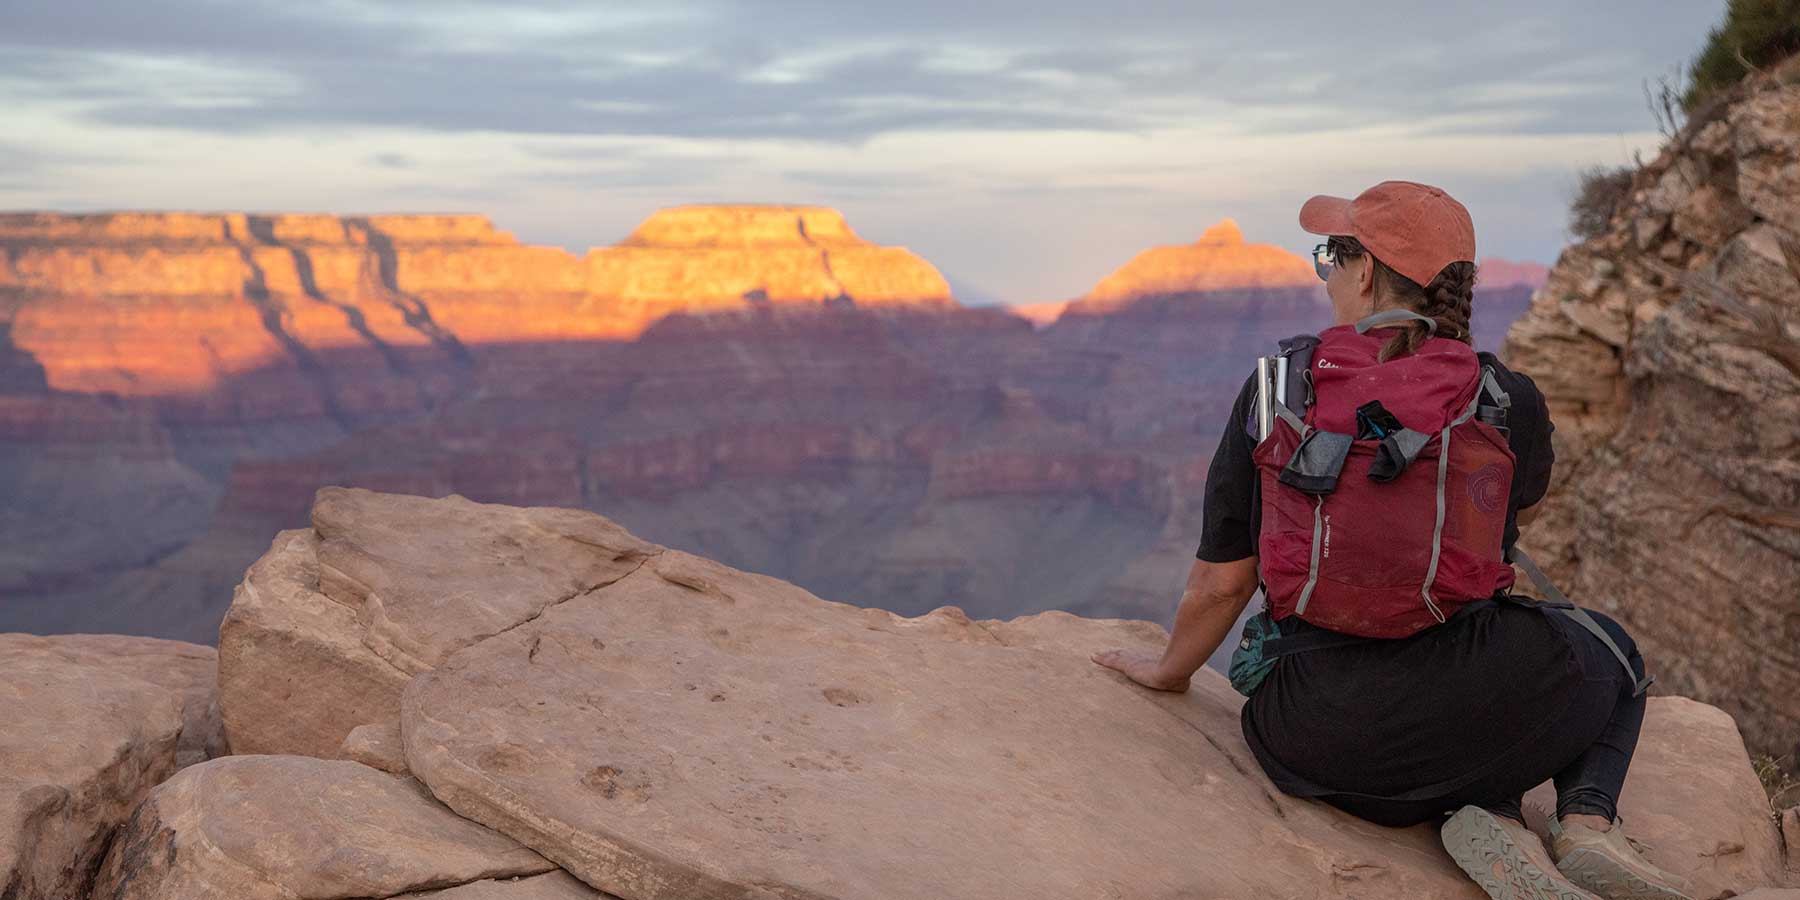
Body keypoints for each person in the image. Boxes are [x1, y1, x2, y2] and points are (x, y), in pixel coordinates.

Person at [1092, 182, 1694, 900]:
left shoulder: (1277, 387)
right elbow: (1508, 528)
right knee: (1611, 647)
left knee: (1432, 717)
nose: (1326, 275)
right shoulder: (1504, 399)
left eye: (1329, 257)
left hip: (1303, 737)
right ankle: (1584, 824)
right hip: (1454, 705)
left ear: (1366, 272)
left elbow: (1224, 582)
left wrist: (1169, 672)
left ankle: (1489, 812)